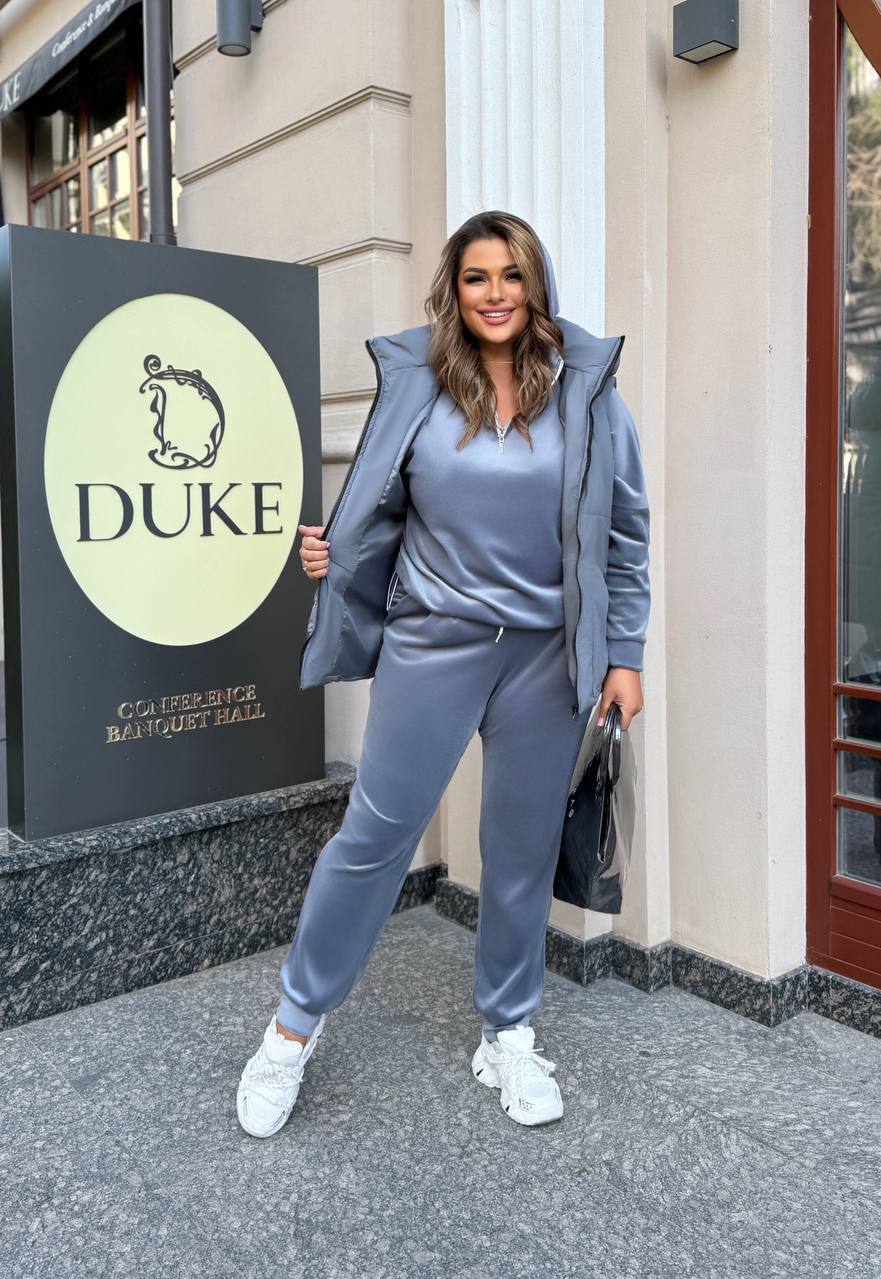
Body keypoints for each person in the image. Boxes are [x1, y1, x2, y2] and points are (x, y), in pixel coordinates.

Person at [236, 210, 651, 1138]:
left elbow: (626, 532)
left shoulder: (586, 389)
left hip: (548, 659)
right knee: (373, 836)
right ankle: (291, 1028)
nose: (495, 293)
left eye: (512, 274)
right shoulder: (418, 385)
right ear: (453, 291)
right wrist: (332, 554)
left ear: (536, 284)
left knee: (520, 850)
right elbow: (376, 507)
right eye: (476, 277)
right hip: (432, 643)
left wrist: (625, 654)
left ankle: (508, 1028)